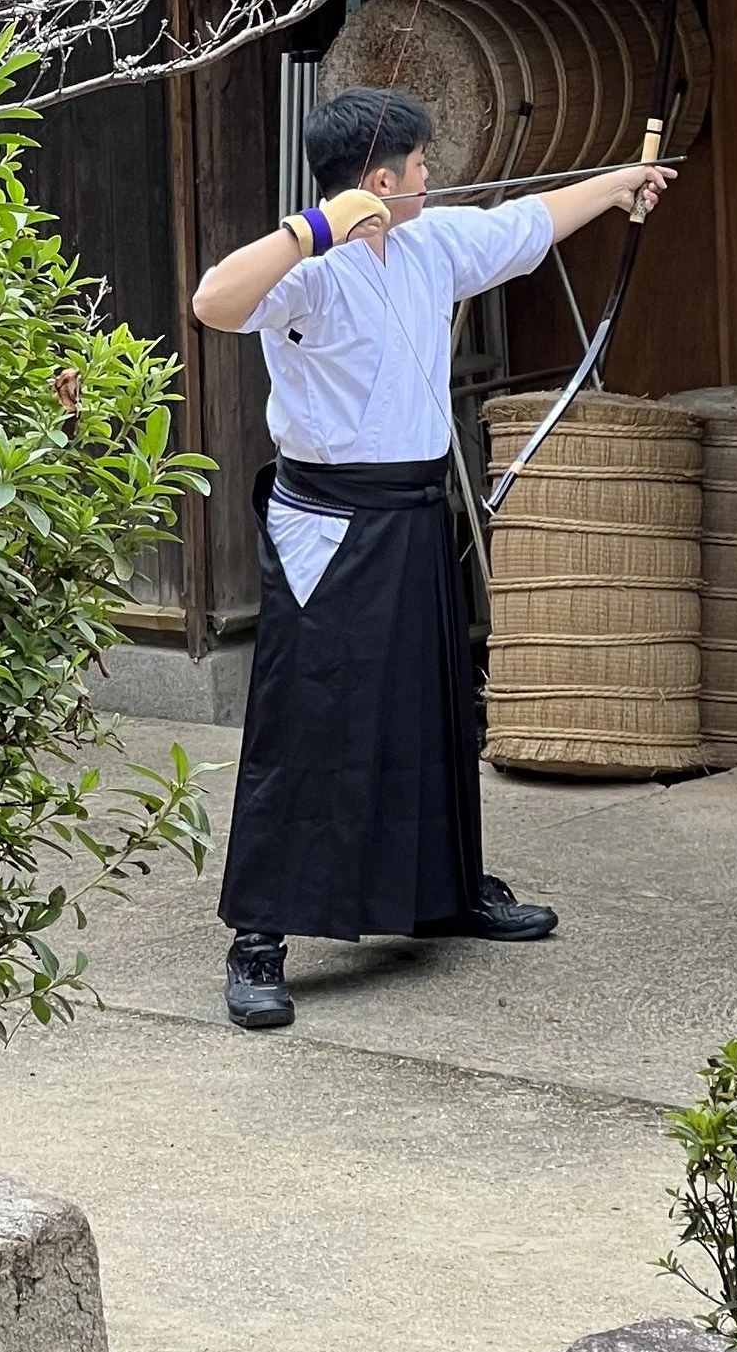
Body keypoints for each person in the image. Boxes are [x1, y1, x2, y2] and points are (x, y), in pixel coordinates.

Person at [190, 84, 674, 1032]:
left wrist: (618, 184)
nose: (430, 180)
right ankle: (260, 934)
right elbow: (213, 301)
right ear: (379, 179)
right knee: (309, 725)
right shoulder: (307, 270)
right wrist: (314, 227)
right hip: (328, 521)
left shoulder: (428, 244)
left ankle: (446, 889)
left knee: (433, 708)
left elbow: (523, 223)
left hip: (413, 509)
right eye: (418, 168)